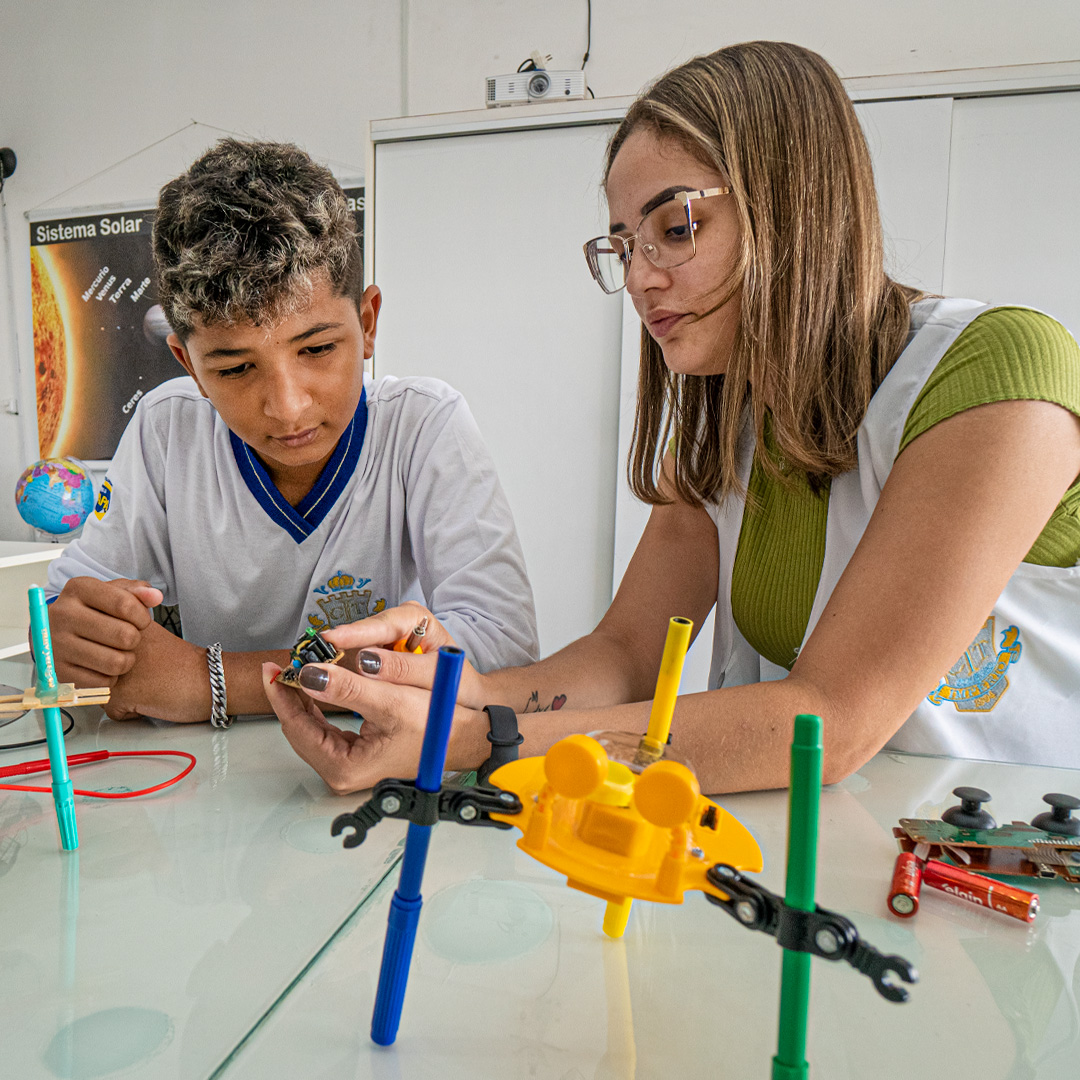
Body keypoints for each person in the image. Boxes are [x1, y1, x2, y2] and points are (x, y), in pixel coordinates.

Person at [263, 41, 1080, 795]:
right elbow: (625, 655)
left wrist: (474, 740)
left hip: (1003, 866)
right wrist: (456, 686)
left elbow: (827, 724)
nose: (641, 278)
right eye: (624, 245)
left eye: (676, 227)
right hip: (828, 851)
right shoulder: (733, 408)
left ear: (792, 206)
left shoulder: (998, 374)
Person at [46, 138, 538, 726]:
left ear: (368, 322)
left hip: (383, 761)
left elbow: (504, 647)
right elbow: (64, 605)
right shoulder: (164, 428)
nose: (287, 407)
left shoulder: (424, 424)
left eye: (319, 348)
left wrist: (211, 681)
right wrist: (69, 631)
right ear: (188, 365)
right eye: (233, 369)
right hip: (205, 777)